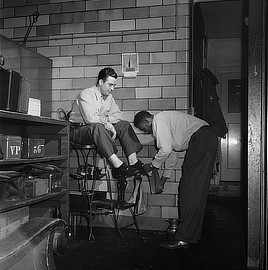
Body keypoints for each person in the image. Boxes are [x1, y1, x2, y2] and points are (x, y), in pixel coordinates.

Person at [133, 110, 218, 249]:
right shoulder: (165, 121)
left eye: (144, 129)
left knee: (189, 189)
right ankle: (188, 236)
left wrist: (152, 165)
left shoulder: (159, 120)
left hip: (202, 139)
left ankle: (184, 237)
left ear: (147, 121)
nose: (147, 132)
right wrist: (163, 180)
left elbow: (165, 150)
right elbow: (171, 154)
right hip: (206, 139)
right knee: (194, 189)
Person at [70, 67, 143, 178]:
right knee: (97, 126)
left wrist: (107, 121)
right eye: (110, 85)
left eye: (114, 85)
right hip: (79, 131)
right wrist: (108, 124)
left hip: (98, 130)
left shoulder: (109, 98)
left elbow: (119, 115)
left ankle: (133, 162)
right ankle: (117, 166)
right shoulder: (86, 94)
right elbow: (91, 119)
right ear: (100, 82)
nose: (112, 89)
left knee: (124, 125)